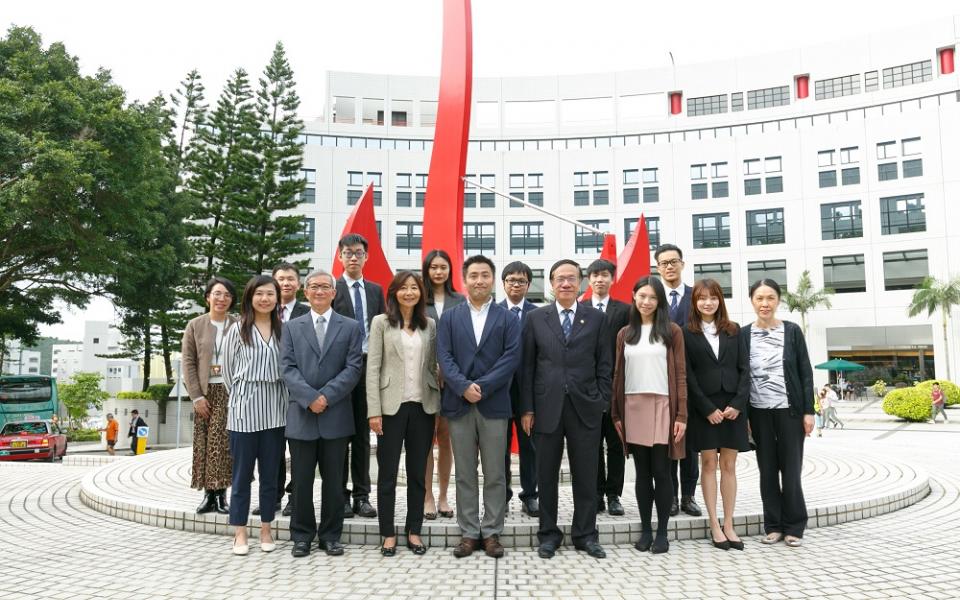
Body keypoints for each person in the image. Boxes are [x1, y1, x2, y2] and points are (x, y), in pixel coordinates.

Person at [521, 259, 610, 560]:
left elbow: (605, 364)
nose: (566, 284)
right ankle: (548, 534)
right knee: (546, 475)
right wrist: (527, 409)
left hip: (585, 407)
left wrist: (601, 400)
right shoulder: (536, 318)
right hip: (547, 407)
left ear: (581, 282)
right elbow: (527, 367)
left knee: (586, 474)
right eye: (560, 279)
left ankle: (586, 534)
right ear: (551, 283)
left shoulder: (595, 319)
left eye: (572, 278)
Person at [438, 255, 521, 559]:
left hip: (494, 403)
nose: (479, 281)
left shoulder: (508, 317)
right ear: (465, 279)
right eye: (473, 275)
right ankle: (469, 531)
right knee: (465, 472)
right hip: (458, 404)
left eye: (485, 275)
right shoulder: (449, 317)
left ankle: (492, 531)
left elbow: (511, 358)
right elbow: (444, 357)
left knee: (496, 471)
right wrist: (462, 386)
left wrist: (482, 388)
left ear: (493, 279)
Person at [282, 270, 363, 557]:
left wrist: (325, 396)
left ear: (333, 292)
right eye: (314, 286)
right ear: (306, 292)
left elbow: (354, 368)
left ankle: (330, 535)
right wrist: (309, 398)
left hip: (336, 415)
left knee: (334, 483)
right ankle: (302, 536)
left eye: (325, 287)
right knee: (301, 482)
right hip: (302, 416)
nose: (319, 291)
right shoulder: (291, 327)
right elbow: (287, 368)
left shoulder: (351, 327)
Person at [610, 277, 687, 554]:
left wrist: (682, 416)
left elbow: (680, 374)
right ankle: (645, 529)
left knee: (661, 470)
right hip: (633, 405)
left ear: (660, 301)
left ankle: (662, 532)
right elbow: (618, 374)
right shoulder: (624, 334)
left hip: (663, 404)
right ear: (633, 297)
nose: (646, 302)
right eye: (642, 296)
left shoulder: (672, 331)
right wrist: (616, 412)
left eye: (652, 297)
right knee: (642, 472)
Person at [367, 271, 440, 556]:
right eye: (404, 288)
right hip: (389, 408)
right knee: (387, 473)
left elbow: (433, 365)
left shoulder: (429, 324)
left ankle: (414, 531)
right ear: (394, 292)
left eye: (414, 288)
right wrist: (374, 411)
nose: (409, 292)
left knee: (417, 475)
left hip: (422, 407)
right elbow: (373, 368)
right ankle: (387, 533)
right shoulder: (381, 323)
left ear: (421, 293)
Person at [741, 279, 815, 548]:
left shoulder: (792, 331)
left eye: (770, 298)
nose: (765, 303)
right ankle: (773, 525)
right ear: (752, 301)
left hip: (790, 412)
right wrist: (744, 415)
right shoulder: (743, 334)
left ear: (778, 300)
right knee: (767, 472)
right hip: (759, 414)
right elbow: (742, 376)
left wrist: (809, 411)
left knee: (791, 471)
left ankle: (795, 525)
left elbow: (805, 373)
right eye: (759, 298)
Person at [221, 275, 288, 555]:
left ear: (277, 298)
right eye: (259, 293)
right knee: (242, 475)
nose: (264, 299)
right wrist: (241, 397)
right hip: (244, 411)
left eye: (270, 294)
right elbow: (226, 372)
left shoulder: (284, 330)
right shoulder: (238, 330)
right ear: (250, 297)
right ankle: (239, 532)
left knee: (271, 475)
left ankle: (266, 529)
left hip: (276, 409)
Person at [683, 279, 750, 551]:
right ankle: (713, 523)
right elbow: (686, 375)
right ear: (695, 302)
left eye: (713, 297)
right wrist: (707, 409)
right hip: (704, 408)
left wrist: (737, 404)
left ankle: (729, 523)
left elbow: (745, 370)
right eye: (702, 298)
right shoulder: (686, 333)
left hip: (733, 407)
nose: (707, 302)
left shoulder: (734, 330)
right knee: (708, 464)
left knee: (730, 467)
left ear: (720, 300)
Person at [332, 234, 385, 520]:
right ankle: (339, 496)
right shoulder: (332, 289)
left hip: (369, 367)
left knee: (364, 436)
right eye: (348, 253)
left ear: (367, 257)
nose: (353, 257)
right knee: (341, 434)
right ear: (340, 257)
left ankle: (361, 496)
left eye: (359, 253)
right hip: (340, 371)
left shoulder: (376, 291)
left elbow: (384, 331)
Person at [252, 263, 310, 518]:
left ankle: (294, 498)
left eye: (290, 279)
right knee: (272, 449)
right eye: (281, 279)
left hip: (298, 392)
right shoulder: (262, 313)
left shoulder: (307, 313)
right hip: (270, 392)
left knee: (297, 450)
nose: (286, 283)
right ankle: (271, 495)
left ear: (298, 284)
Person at [181, 276, 238, 515]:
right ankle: (207, 495)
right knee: (204, 443)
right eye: (217, 294)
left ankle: (221, 495)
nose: (221, 298)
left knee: (224, 444)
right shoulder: (195, 325)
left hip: (230, 391)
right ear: (207, 297)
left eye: (226, 295)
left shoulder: (238, 324)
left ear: (232, 300)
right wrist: (196, 396)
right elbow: (188, 362)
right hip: (205, 393)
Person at [655, 243, 702, 518]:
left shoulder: (697, 295)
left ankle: (688, 495)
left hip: (692, 379)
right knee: (666, 441)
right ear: (658, 268)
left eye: (673, 261)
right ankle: (669, 495)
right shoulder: (653, 297)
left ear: (682, 264)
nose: (669, 266)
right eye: (664, 263)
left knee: (690, 442)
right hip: (661, 381)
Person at [583, 259, 630, 517]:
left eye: (604, 276)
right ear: (588, 280)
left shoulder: (624, 311)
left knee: (615, 443)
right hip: (588, 388)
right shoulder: (579, 309)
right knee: (592, 443)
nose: (600, 280)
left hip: (616, 387)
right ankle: (597, 493)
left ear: (612, 279)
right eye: (595, 276)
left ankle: (614, 495)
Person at [422, 248, 465, 520]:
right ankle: (426, 497)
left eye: (443, 267)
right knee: (426, 441)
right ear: (426, 270)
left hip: (452, 382)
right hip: (423, 380)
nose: (438, 272)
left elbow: (464, 340)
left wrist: (449, 371)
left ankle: (444, 496)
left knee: (447, 440)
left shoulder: (460, 301)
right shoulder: (417, 300)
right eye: (434, 267)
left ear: (450, 270)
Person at [499, 261, 539, 517]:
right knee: (499, 447)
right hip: (499, 393)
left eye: (521, 281)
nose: (516, 285)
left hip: (529, 393)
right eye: (511, 280)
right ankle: (501, 496)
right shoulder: (492, 312)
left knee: (530, 447)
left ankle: (530, 495)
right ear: (503, 283)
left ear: (528, 285)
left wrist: (531, 404)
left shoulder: (538, 315)